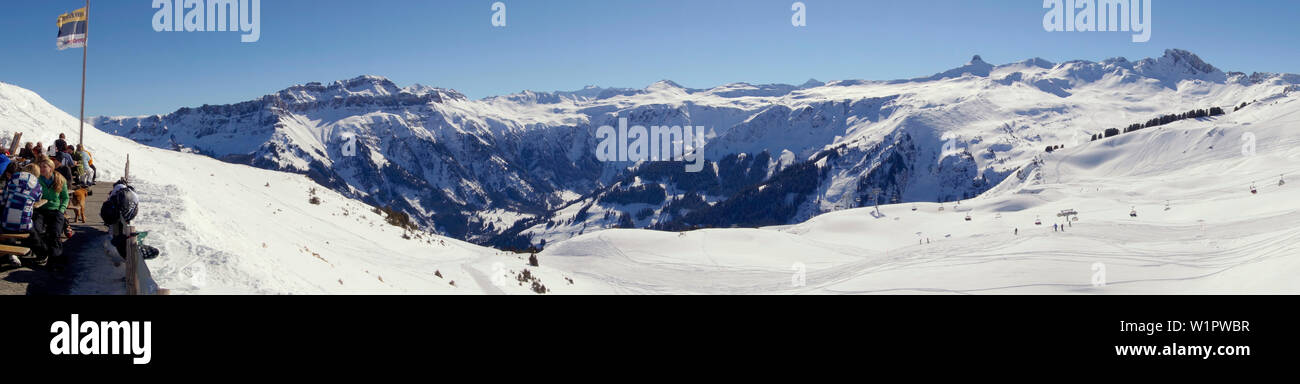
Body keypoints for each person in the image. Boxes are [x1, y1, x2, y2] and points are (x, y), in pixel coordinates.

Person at [1, 164, 43, 266]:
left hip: (6, 223)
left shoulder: (13, 179)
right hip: (25, 225)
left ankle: (11, 252)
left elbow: (2, 200)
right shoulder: (38, 186)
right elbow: (37, 199)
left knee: (8, 220)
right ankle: (42, 254)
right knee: (31, 223)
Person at [33, 159, 69, 270]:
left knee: (55, 233)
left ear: (51, 168)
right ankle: (43, 252)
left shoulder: (60, 180)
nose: (42, 169)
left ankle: (56, 258)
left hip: (55, 210)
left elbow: (65, 198)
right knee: (36, 230)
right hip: (40, 209)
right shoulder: (37, 180)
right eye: (41, 167)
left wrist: (61, 210)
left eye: (44, 166)